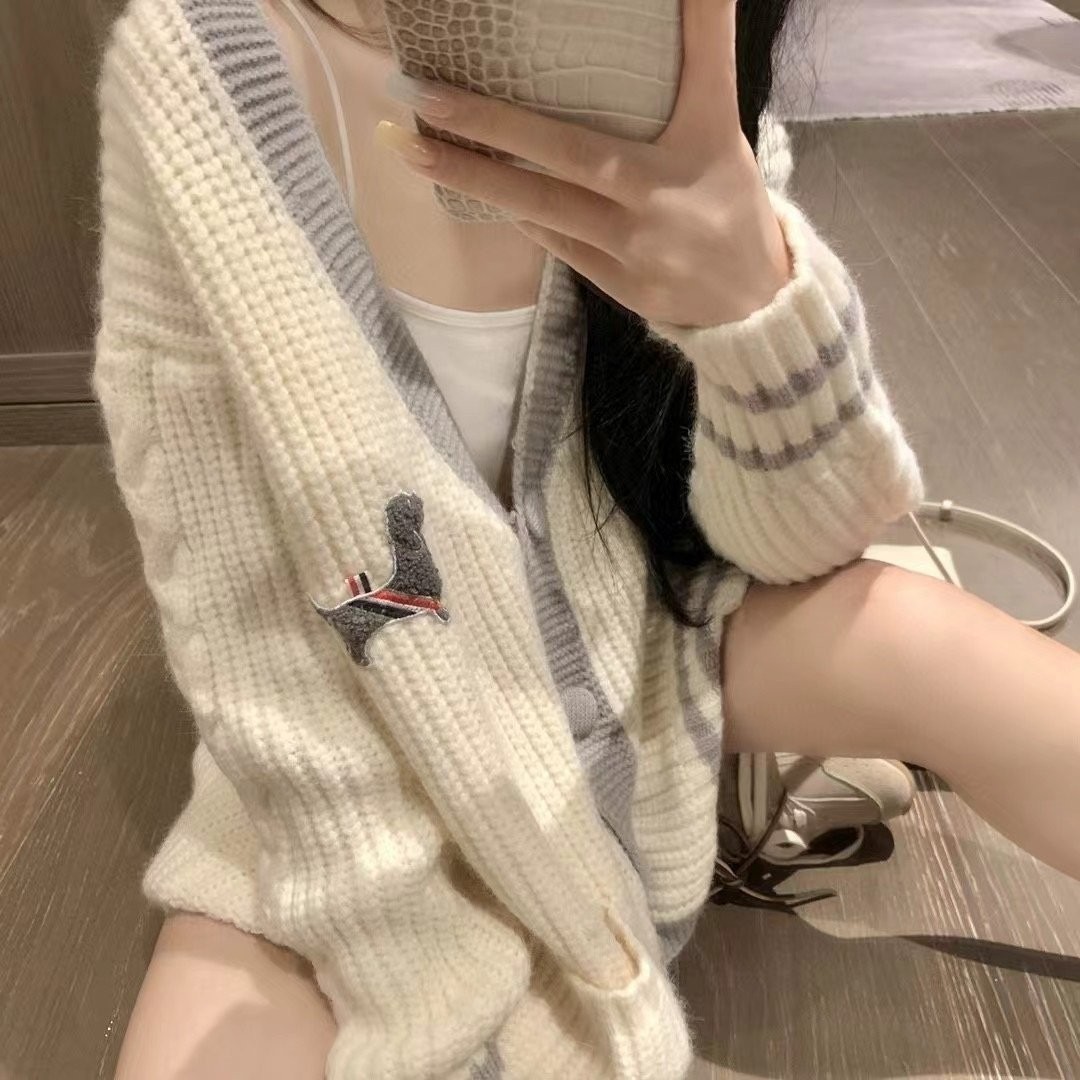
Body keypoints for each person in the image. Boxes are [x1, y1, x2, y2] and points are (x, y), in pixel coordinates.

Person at [95, 0, 1080, 1076]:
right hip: (355, 703)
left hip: (644, 629)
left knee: (932, 643)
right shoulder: (202, 66)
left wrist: (751, 303)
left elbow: (804, 546)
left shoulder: (662, 46)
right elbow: (237, 608)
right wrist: (475, 931)